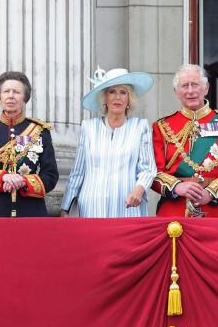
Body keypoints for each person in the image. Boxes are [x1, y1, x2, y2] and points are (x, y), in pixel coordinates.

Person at [60, 67, 158, 218]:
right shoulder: (89, 127)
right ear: (104, 97)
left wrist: (140, 188)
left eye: (123, 92)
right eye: (112, 92)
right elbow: (78, 172)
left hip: (129, 208)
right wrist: (65, 208)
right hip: (92, 209)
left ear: (129, 99)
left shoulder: (140, 127)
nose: (117, 97)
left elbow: (148, 168)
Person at [151, 64, 218, 217]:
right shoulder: (162, 126)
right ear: (176, 92)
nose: (190, 91)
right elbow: (153, 171)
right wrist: (177, 187)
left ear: (206, 88)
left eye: (195, 84)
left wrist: (210, 193)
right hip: (175, 210)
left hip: (217, 210)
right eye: (184, 86)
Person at [0, 71, 59, 217]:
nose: (11, 95)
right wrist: (3, 177)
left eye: (16, 92)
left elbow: (51, 176)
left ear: (25, 99)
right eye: (6, 91)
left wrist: (23, 181)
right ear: (0, 97)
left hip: (31, 212)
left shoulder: (40, 132)